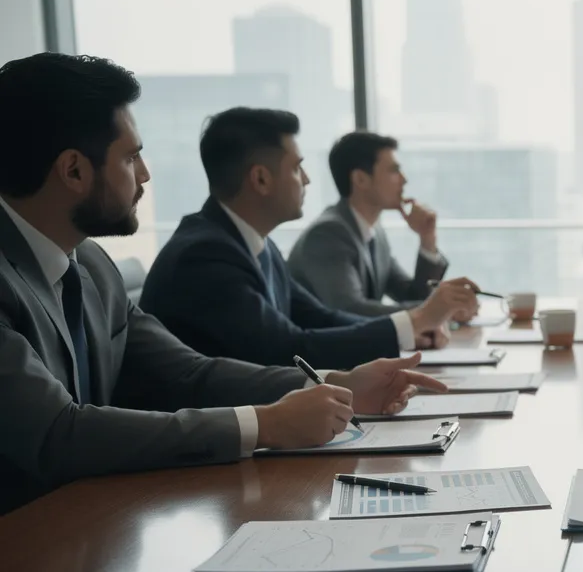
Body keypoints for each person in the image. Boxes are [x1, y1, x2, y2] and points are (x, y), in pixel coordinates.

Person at [0, 53, 445, 514]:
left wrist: (340, 383)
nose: (146, 174)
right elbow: (58, 434)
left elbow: (191, 372)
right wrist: (264, 425)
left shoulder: (91, 264)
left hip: (93, 525)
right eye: (132, 157)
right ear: (73, 171)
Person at [139, 108, 474, 369]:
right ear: (261, 179)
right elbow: (286, 348)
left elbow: (319, 317)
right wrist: (412, 322)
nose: (308, 179)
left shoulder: (256, 244)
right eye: (297, 168)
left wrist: (411, 328)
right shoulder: (205, 256)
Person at [287, 130, 479, 319]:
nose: (404, 179)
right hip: (309, 351)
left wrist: (427, 239)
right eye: (394, 170)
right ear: (360, 179)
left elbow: (412, 296)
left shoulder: (373, 231)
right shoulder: (327, 234)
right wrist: (439, 308)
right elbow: (351, 310)